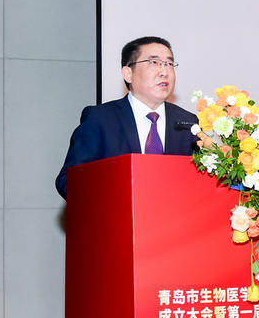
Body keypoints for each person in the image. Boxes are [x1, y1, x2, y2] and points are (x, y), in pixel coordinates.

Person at [55, 36, 199, 199]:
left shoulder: (188, 123)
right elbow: (69, 181)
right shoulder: (100, 119)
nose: (164, 72)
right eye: (154, 62)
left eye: (169, 64)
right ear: (128, 73)